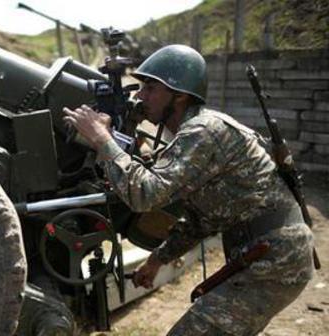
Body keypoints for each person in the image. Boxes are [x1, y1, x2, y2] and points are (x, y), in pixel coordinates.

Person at [63, 44, 315, 335]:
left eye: (150, 88)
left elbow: (145, 195)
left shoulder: (202, 131)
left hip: (274, 259)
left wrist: (102, 139)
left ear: (179, 95)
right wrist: (158, 259)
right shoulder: (195, 132)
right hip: (266, 253)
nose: (140, 96)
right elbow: (201, 219)